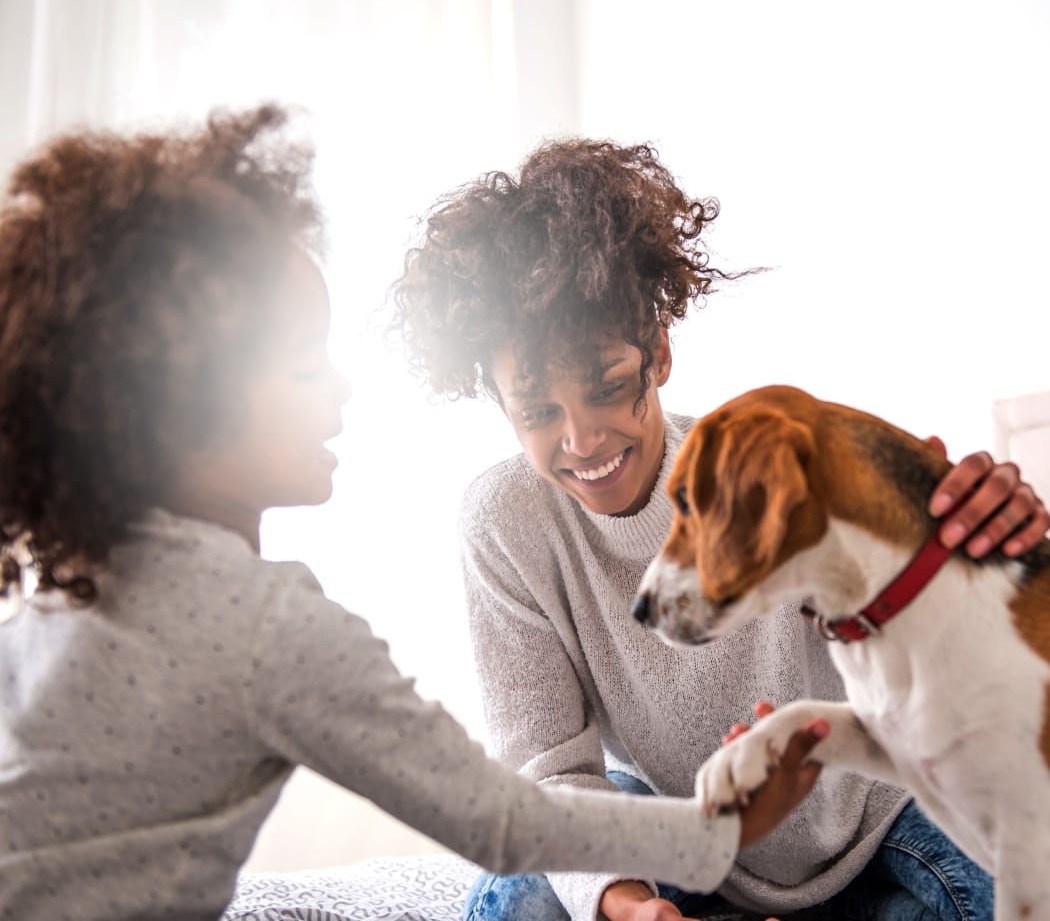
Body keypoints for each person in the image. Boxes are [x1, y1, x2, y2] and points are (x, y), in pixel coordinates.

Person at [0, 109, 826, 921]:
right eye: (299, 366)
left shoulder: (65, 593)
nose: (341, 387)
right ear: (181, 410)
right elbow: (504, 821)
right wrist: (727, 825)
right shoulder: (259, 627)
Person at [388, 138, 1050, 921]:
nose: (582, 439)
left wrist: (994, 529)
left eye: (607, 387)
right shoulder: (505, 522)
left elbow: (943, 604)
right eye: (537, 413)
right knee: (518, 893)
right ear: (500, 404)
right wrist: (625, 904)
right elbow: (548, 774)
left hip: (877, 826)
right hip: (682, 832)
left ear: (658, 352)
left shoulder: (761, 470)